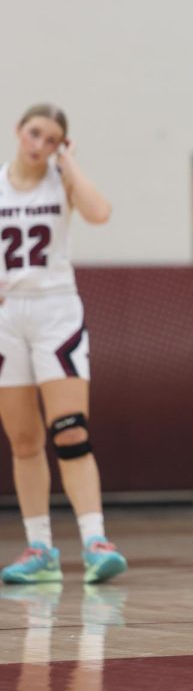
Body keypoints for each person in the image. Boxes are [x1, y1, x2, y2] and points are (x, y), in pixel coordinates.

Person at [0, 104, 127, 585]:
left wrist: (69, 164)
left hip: (56, 312)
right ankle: (41, 549)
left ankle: (95, 539)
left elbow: (99, 213)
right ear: (18, 130)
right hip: (8, 315)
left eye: (52, 139)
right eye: (35, 133)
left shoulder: (63, 181)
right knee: (24, 440)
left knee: (70, 429)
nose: (40, 144)